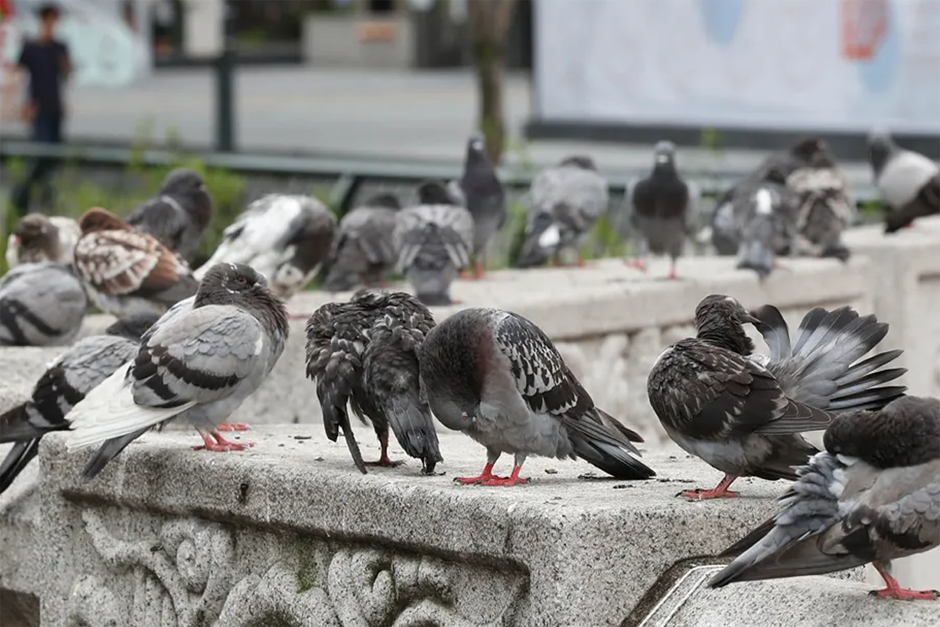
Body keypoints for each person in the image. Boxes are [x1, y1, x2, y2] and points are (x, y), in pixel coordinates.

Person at [10, 2, 71, 216]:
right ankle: (21, 198)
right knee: (38, 155)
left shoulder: (59, 47)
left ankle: (46, 200)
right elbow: (17, 74)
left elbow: (67, 73)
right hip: (39, 107)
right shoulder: (31, 48)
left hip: (54, 107)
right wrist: (18, 106)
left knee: (53, 158)